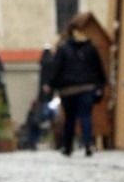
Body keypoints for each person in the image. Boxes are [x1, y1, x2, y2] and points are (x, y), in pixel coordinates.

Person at [43, 14, 107, 157]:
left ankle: (67, 146)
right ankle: (88, 144)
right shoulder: (90, 48)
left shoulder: (63, 48)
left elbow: (56, 68)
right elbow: (99, 68)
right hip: (88, 87)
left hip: (68, 90)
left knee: (70, 118)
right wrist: (101, 84)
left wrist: (50, 84)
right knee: (85, 116)